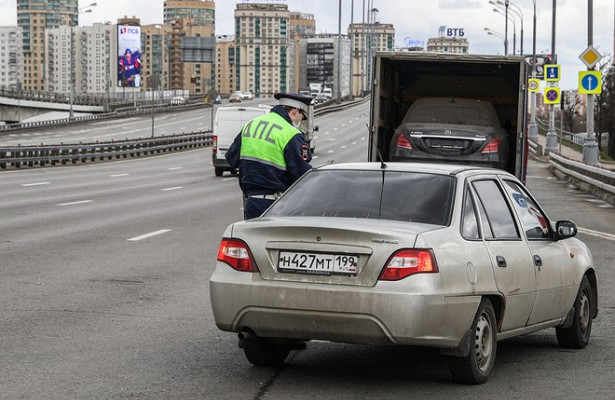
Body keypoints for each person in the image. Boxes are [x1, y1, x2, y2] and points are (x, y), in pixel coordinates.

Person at [225, 92, 313, 219]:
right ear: (294, 111)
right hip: (278, 205)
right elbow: (301, 176)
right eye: (302, 117)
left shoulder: (251, 125)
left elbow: (231, 159)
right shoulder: (291, 133)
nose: (300, 121)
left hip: (252, 203)